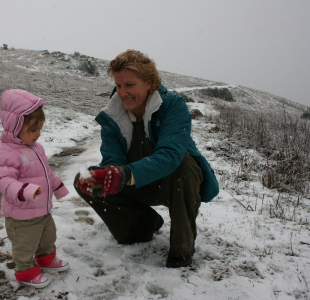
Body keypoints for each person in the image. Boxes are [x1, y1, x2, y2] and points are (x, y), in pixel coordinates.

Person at [75, 50, 219, 268]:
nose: (123, 92)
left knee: (185, 166)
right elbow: (113, 159)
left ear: (149, 83)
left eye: (130, 85)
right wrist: (108, 175)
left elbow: (170, 155)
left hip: (173, 184)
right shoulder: (112, 116)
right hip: (136, 185)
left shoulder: (173, 106)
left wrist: (126, 175)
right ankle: (141, 226)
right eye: (119, 85)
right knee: (85, 180)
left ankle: (182, 248)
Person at [0, 89, 70, 288]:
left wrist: (57, 186)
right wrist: (23, 190)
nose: (38, 134)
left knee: (48, 237)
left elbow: (46, 172)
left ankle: (46, 259)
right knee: (25, 245)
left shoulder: (36, 147)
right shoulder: (7, 151)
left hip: (42, 211)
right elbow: (3, 180)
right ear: (15, 127)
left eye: (40, 129)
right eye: (33, 130)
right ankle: (26, 271)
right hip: (21, 217)